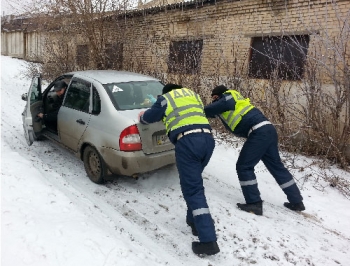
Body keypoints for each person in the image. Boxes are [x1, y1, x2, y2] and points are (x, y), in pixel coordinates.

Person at [139, 83, 220, 256]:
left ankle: (208, 241)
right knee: (195, 182)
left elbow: (148, 117)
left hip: (188, 142)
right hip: (207, 140)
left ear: (166, 92)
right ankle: (194, 222)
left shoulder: (165, 99)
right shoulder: (193, 94)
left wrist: (144, 114)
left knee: (192, 189)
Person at [204, 85, 305, 216]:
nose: (214, 100)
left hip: (258, 132)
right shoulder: (232, 101)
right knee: (277, 167)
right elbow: (212, 112)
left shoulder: (228, 97)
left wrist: (192, 110)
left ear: (219, 95)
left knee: (244, 166)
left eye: (215, 97)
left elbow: (208, 109)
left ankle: (254, 203)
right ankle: (296, 201)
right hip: (268, 130)